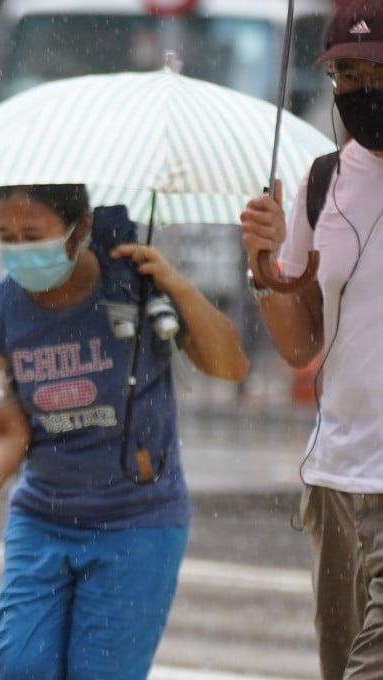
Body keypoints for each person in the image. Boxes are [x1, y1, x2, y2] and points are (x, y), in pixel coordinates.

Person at [0, 184, 248, 680]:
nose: (18, 247)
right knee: (18, 666)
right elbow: (6, 434)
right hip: (43, 519)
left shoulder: (136, 287)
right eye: (6, 235)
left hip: (138, 524)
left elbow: (230, 365)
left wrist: (175, 283)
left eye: (32, 233)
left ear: (80, 228)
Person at [239, 3, 383, 678]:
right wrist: (265, 274)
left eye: (378, 70)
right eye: (348, 74)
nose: (362, 91)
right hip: (335, 482)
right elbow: (301, 348)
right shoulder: (323, 182)